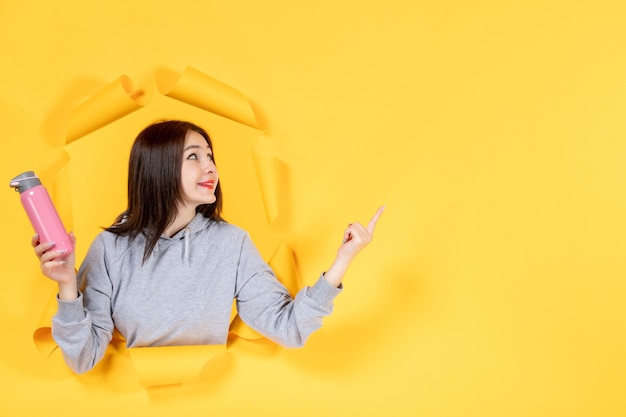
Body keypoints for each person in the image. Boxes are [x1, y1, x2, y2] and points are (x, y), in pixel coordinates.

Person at [32, 120, 384, 374]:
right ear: (158, 167)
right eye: (193, 156)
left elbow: (288, 328)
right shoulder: (110, 249)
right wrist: (66, 287)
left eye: (210, 155)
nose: (211, 166)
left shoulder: (231, 243)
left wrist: (342, 262)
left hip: (213, 403)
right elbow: (82, 358)